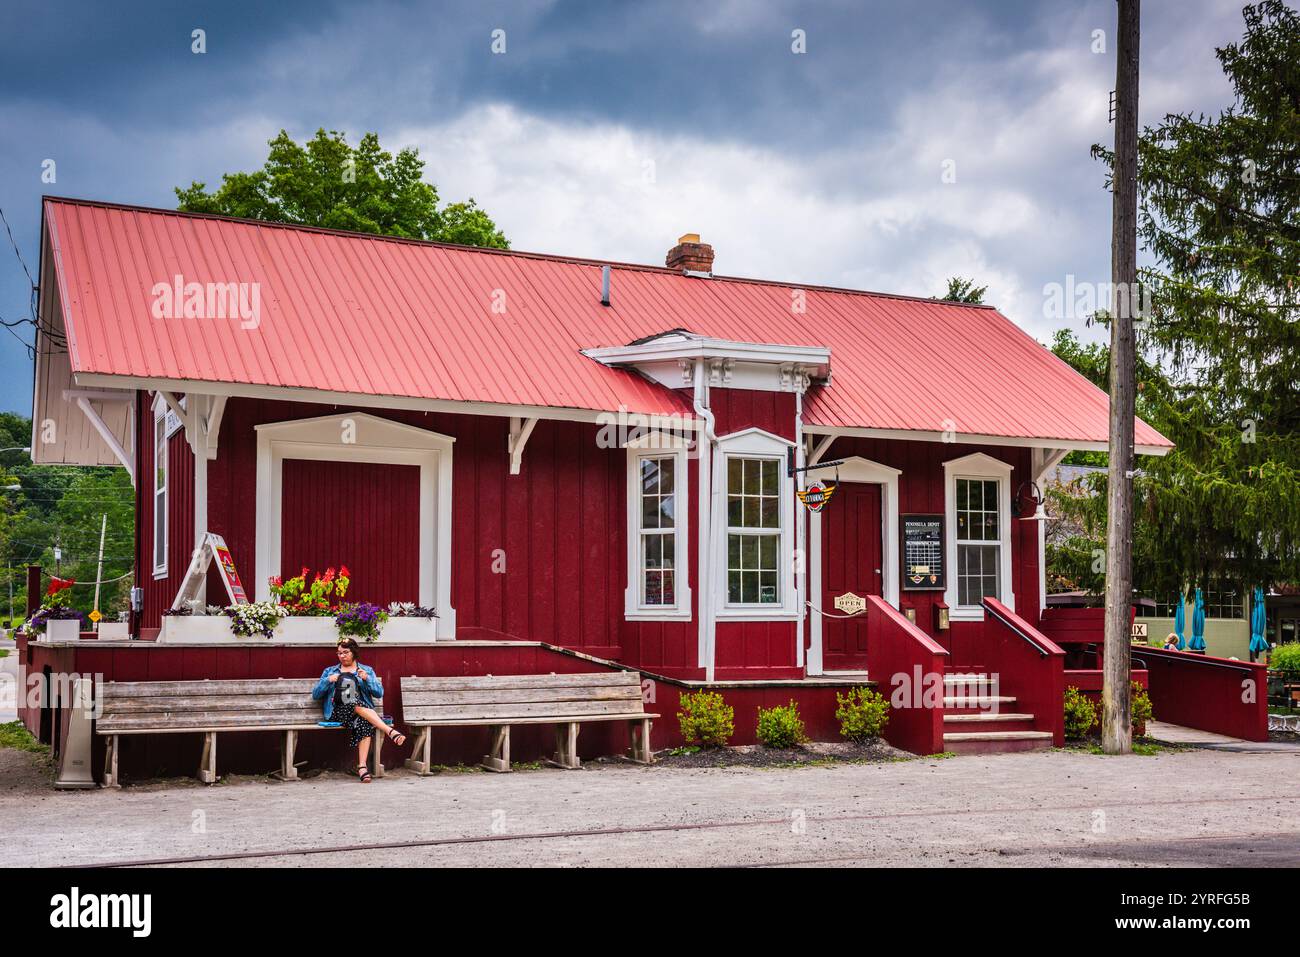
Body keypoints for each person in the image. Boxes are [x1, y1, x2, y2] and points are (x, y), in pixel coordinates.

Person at [312, 638, 407, 782]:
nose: (341, 656)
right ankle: (390, 731)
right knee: (352, 700)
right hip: (337, 713)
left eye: (345, 652)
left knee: (364, 721)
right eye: (339, 653)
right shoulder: (330, 671)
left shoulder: (366, 670)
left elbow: (379, 693)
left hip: (359, 713)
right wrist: (328, 680)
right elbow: (316, 695)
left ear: (354, 652)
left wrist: (367, 679)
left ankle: (362, 767)